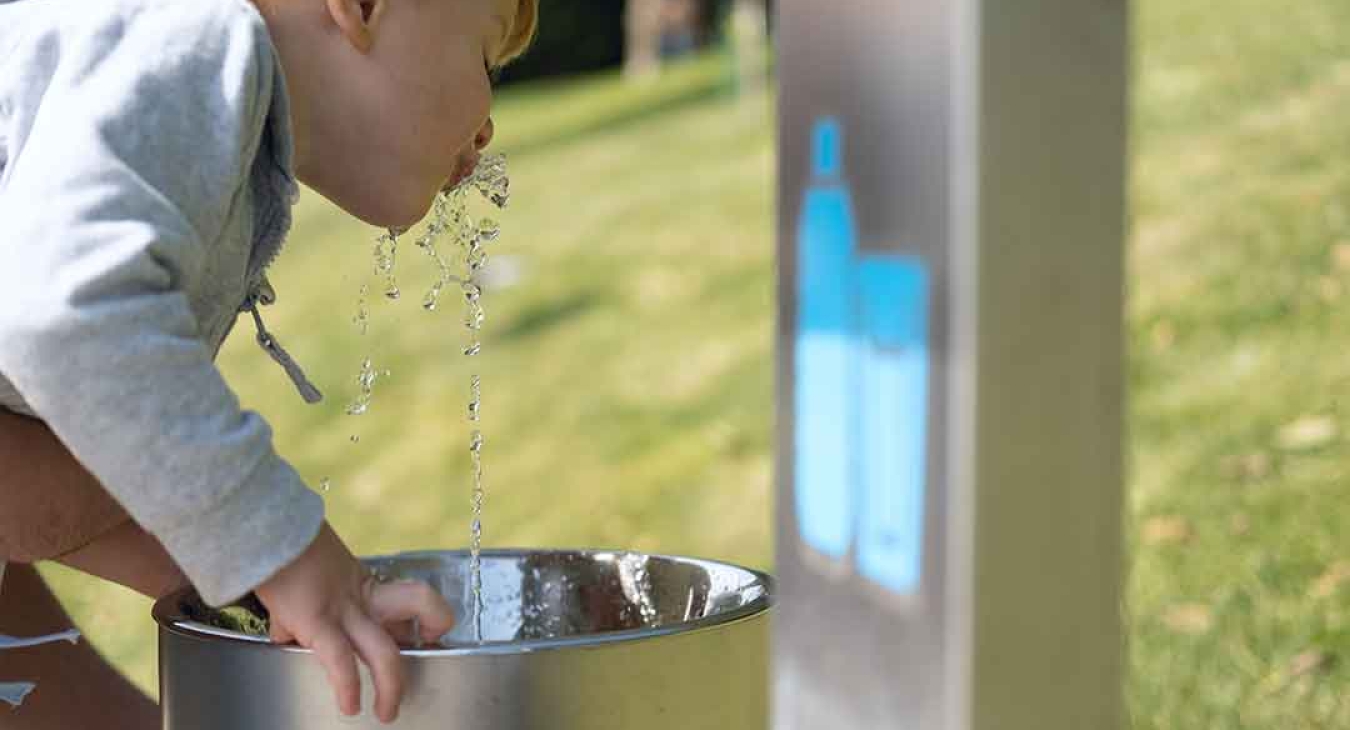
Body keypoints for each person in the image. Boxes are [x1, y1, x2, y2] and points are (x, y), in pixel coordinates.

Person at [0, 0, 538, 725]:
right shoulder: (195, 47)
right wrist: (283, 550)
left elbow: (38, 476)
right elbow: (65, 316)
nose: (486, 125)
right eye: (483, 60)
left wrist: (242, 578)